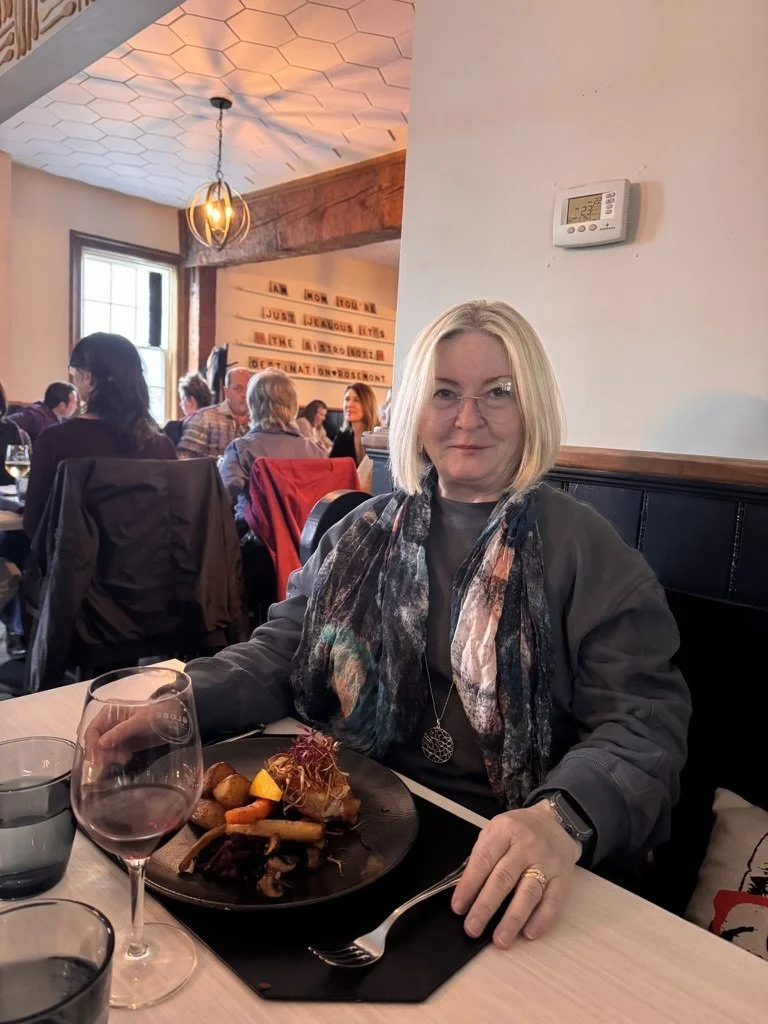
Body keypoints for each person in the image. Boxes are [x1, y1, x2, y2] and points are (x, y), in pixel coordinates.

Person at [89, 300, 691, 952]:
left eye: (499, 392)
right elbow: (279, 653)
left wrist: (561, 818)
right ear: (415, 410)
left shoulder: (590, 554)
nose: (468, 417)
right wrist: (176, 708)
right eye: (445, 392)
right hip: (358, 834)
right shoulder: (361, 534)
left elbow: (644, 729)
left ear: (533, 407)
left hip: (513, 862)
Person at [23, 333, 176, 538]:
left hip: (74, 567)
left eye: (74, 373)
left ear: (89, 378)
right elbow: (175, 519)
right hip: (148, 567)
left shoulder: (54, 440)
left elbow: (35, 523)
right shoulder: (161, 445)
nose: (74, 380)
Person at [219, 370, 325, 520]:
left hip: (254, 539)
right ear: (293, 406)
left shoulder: (242, 449)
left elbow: (221, 499)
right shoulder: (316, 452)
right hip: (306, 539)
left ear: (252, 405)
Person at [177, 367, 252, 460]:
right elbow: (184, 462)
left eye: (248, 389)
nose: (244, 394)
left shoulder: (259, 423)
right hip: (213, 474)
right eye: (238, 389)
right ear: (227, 392)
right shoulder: (203, 418)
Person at [329, 383, 379, 491]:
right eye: (347, 399)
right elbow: (331, 472)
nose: (349, 404)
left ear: (367, 404)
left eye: (356, 400)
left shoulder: (379, 437)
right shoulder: (342, 437)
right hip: (348, 496)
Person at [6, 382, 78, 443]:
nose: (76, 407)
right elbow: (5, 424)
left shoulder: (57, 418)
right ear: (62, 405)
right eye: (74, 403)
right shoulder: (34, 415)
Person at [164, 372, 213, 447]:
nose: (180, 404)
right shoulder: (219, 423)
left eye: (182, 399)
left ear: (192, 401)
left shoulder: (174, 428)